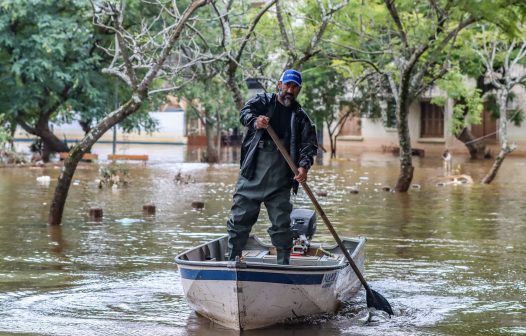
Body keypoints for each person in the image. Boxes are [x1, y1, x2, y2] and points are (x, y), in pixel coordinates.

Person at [226, 69, 318, 265]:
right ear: (279, 84)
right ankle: (232, 260)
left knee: (281, 225)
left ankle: (283, 264)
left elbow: (309, 145)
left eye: (295, 87)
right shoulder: (262, 102)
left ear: (299, 90)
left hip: (281, 181)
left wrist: (303, 167)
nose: (290, 90)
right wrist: (255, 121)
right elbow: (245, 113)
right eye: (287, 85)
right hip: (251, 174)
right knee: (239, 220)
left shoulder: (301, 117)